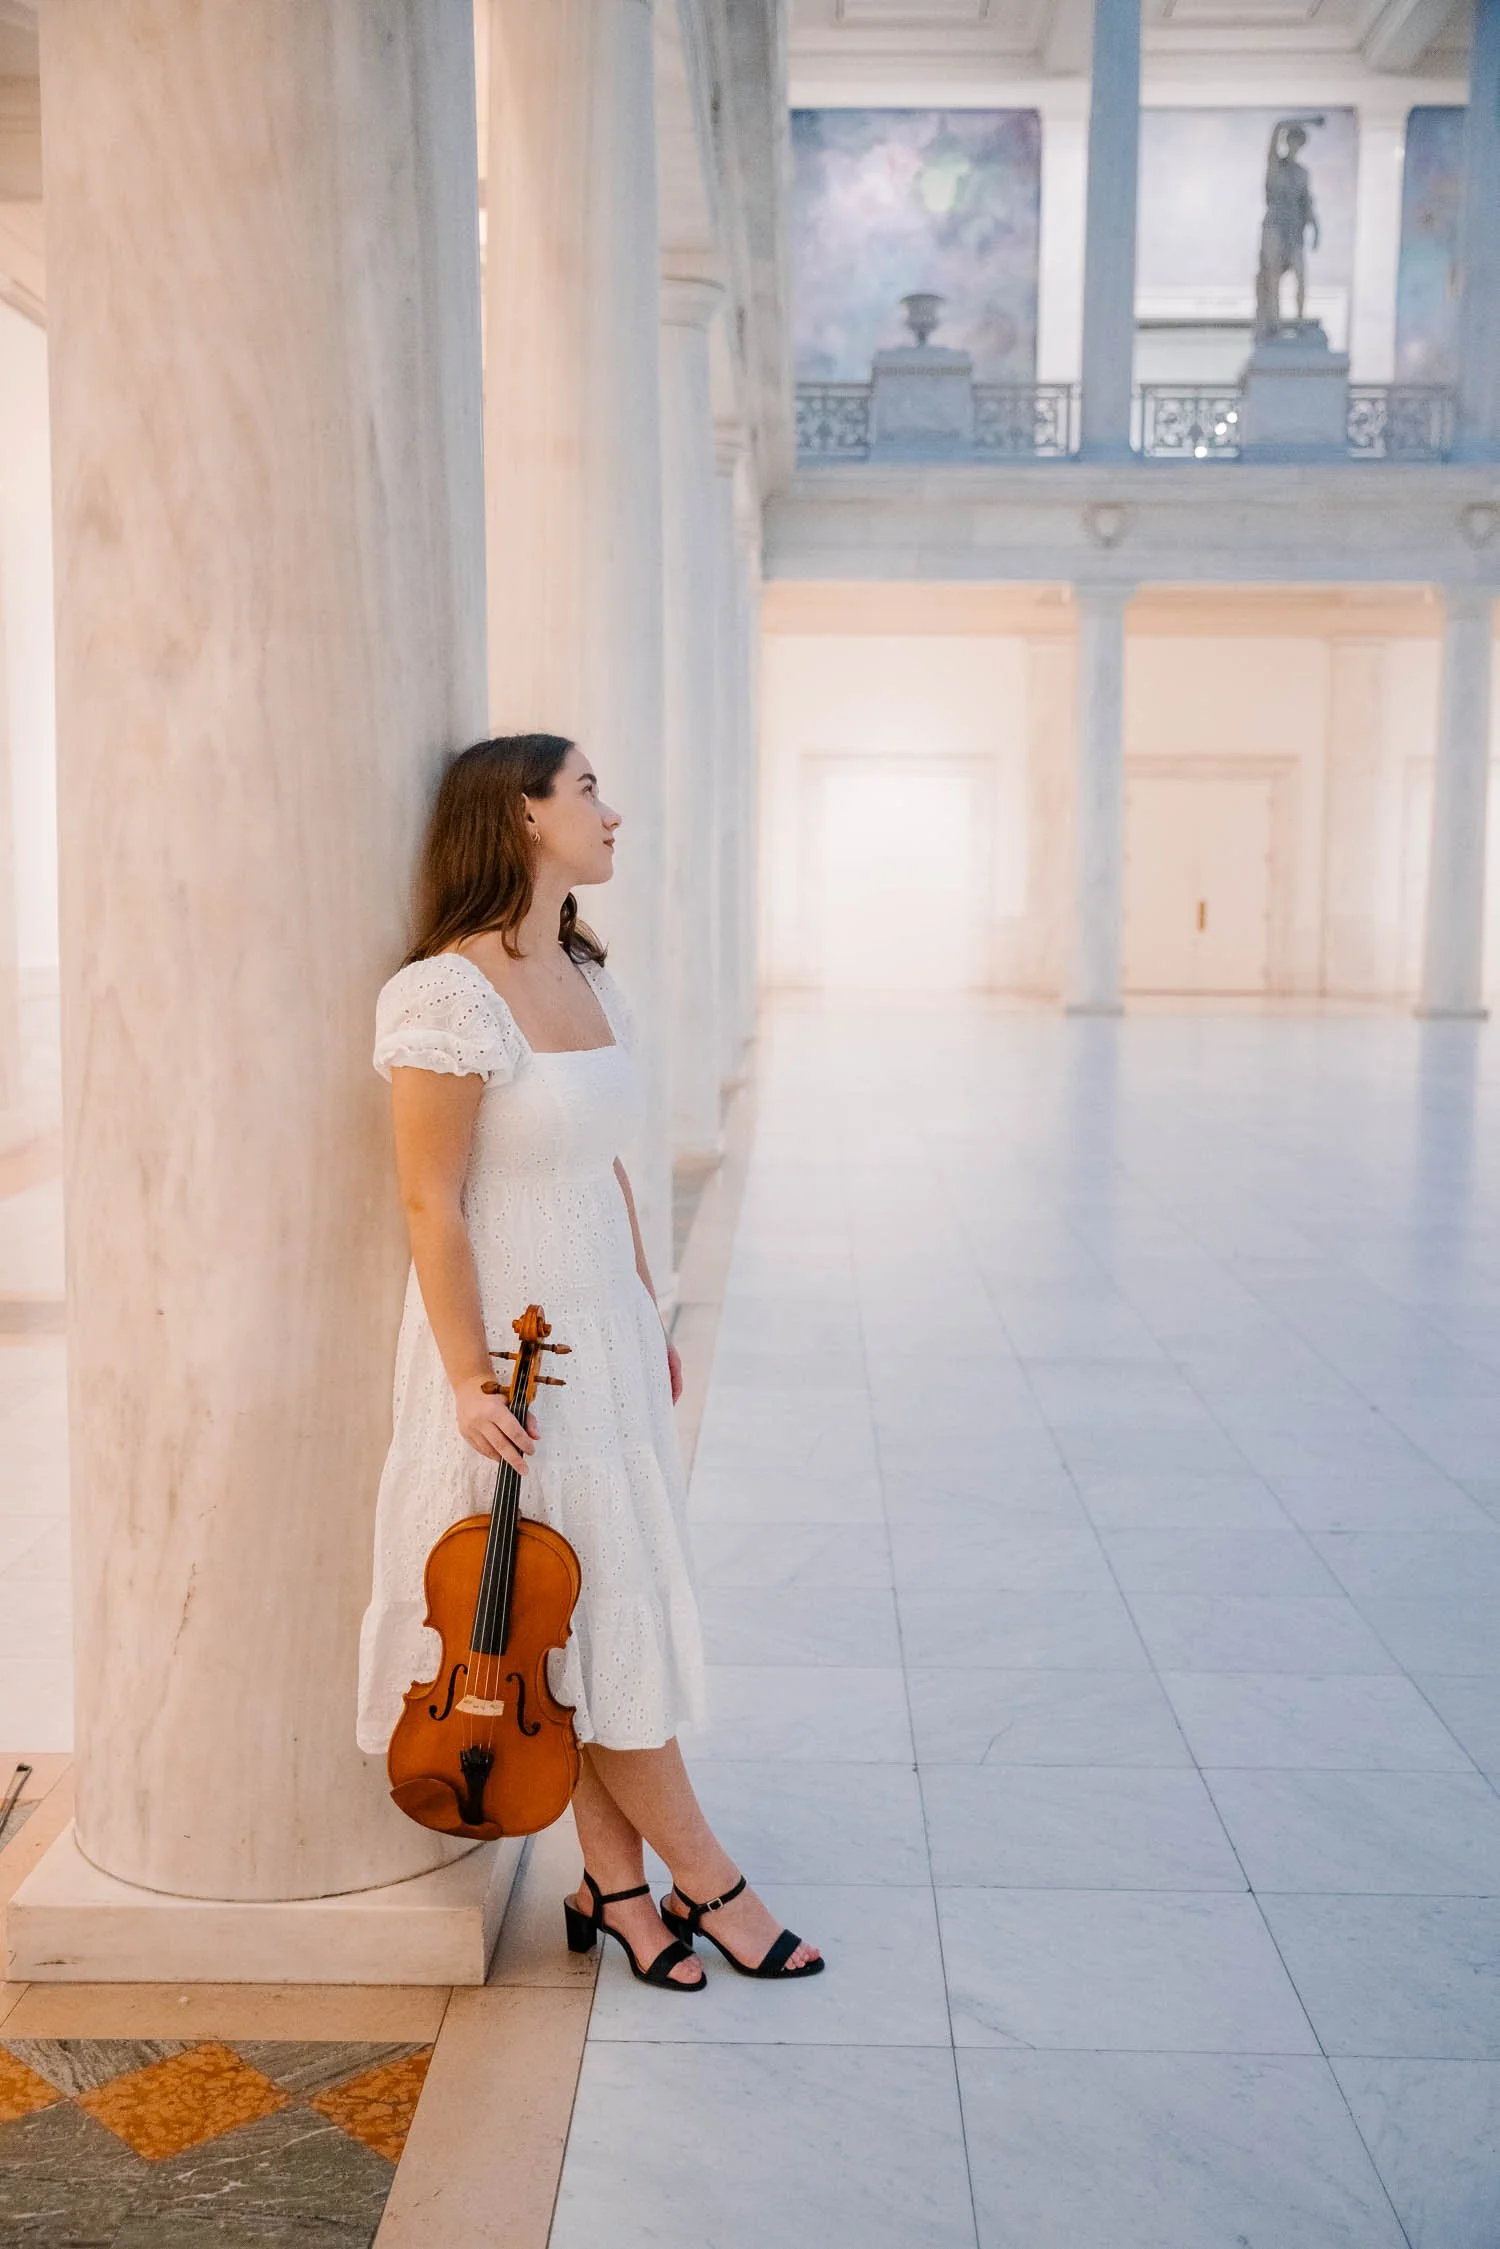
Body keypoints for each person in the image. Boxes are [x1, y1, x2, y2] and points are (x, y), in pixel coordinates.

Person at [356, 734, 822, 1990]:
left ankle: (613, 1884)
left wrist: (647, 1308)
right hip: (506, 1355)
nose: (613, 813)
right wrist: (464, 1381)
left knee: (593, 1612)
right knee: (564, 1618)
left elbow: (608, 1164)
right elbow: (429, 1204)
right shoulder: (444, 996)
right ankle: (708, 1880)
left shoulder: (583, 971)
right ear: (520, 816)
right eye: (587, 792)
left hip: (599, 1336)